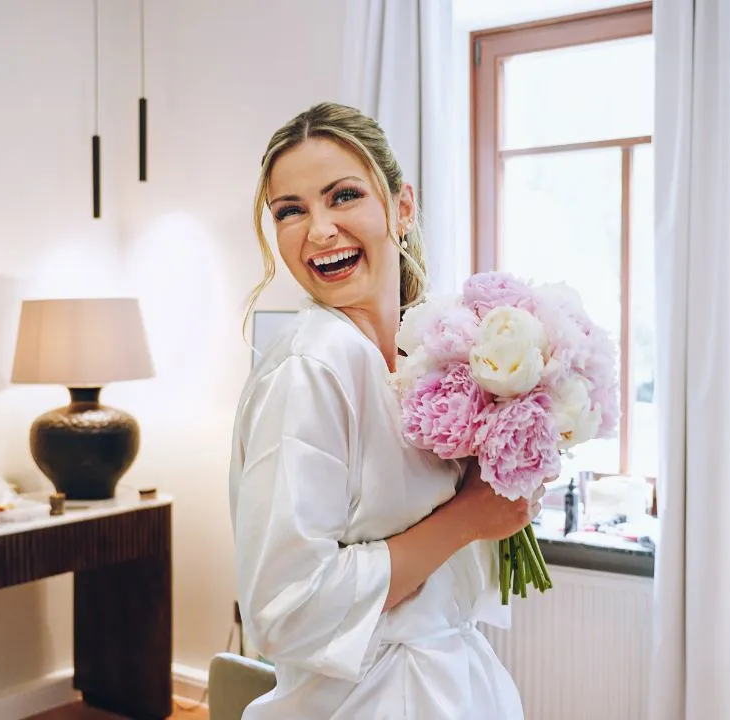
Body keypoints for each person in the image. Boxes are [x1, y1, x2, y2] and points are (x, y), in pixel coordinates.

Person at [227, 102, 542, 719]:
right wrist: (468, 519)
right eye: (290, 211)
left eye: (342, 197)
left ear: (402, 207)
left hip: (452, 683)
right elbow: (285, 609)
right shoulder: (310, 370)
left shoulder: (428, 355)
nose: (317, 230)